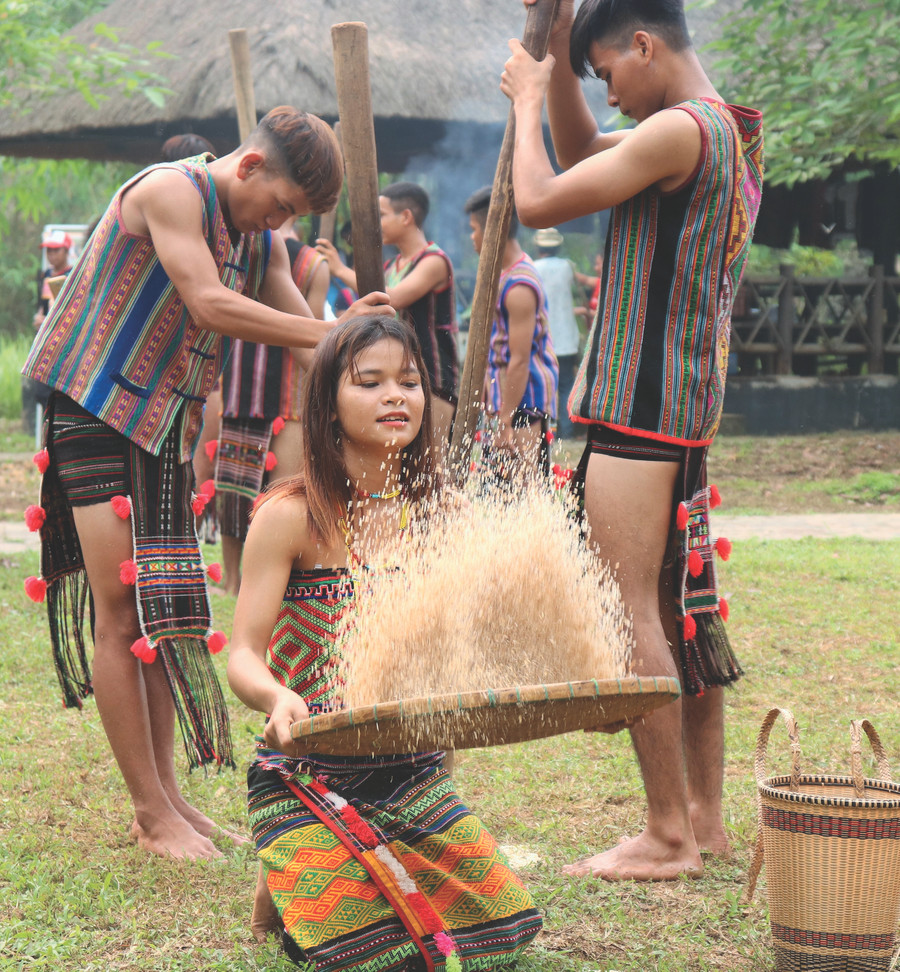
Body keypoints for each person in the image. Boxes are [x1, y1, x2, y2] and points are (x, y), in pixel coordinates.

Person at [21, 106, 393, 861]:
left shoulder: (258, 241)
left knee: (160, 618)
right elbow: (209, 304)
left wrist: (359, 342)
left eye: (292, 215)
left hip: (160, 428)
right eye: (282, 204)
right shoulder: (171, 191)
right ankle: (150, 811)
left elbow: (309, 341)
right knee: (122, 613)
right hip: (93, 408)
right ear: (251, 167)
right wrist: (330, 333)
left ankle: (170, 803)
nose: (280, 220)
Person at [504, 0, 763, 880]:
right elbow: (583, 157)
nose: (610, 95)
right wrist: (567, 47)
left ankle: (665, 835)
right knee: (679, 612)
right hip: (676, 410)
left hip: (641, 411)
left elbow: (540, 196)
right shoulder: (716, 129)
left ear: (646, 45)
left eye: (610, 72)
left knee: (630, 609)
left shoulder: (673, 133)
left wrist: (524, 100)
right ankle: (703, 818)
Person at [226, 314, 543, 969]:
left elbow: (472, 644)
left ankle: (305, 872)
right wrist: (277, 697)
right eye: (369, 382)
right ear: (328, 406)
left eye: (410, 381)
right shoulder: (288, 517)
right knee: (377, 956)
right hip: (308, 769)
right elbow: (242, 655)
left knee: (495, 939)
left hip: (410, 770)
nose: (395, 396)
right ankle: (290, 865)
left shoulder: (444, 514)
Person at [213, 221, 331, 594]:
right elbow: (308, 338)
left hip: (264, 394)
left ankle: (243, 582)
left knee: (260, 494)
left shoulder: (246, 250)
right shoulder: (312, 264)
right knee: (258, 495)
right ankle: (248, 582)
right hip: (263, 394)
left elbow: (308, 339)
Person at [316, 182, 458, 458]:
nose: (376, 223)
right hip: (398, 373)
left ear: (405, 217)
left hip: (434, 376)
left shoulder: (434, 260)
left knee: (432, 461)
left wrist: (339, 270)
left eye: (381, 215)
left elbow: (390, 299)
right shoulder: (391, 266)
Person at [464, 186, 558, 476]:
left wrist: (506, 419)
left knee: (525, 489)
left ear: (494, 229)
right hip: (506, 400)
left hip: (522, 402)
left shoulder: (519, 285)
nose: (472, 237)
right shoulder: (501, 275)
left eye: (474, 229)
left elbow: (519, 359)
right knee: (500, 490)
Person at [531, 227, 581, 440]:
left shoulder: (532, 268)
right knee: (566, 384)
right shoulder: (568, 267)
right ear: (558, 245)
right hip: (566, 336)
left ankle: (543, 430)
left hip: (542, 337)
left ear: (538, 246)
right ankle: (567, 432)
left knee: (541, 384)